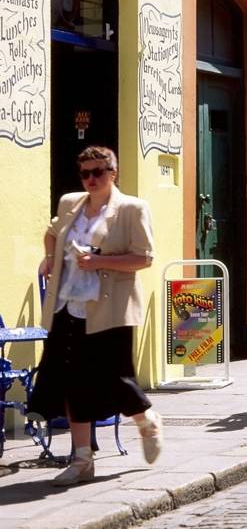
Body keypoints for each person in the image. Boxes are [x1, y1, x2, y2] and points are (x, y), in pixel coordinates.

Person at [31, 146, 161, 485]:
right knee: (71, 382)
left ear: (113, 173)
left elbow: (144, 258)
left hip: (110, 308)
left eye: (98, 172)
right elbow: (52, 232)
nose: (91, 179)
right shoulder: (70, 203)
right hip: (67, 305)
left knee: (115, 379)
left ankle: (146, 421)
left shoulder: (132, 208)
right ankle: (82, 459)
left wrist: (100, 261)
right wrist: (50, 258)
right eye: (85, 173)